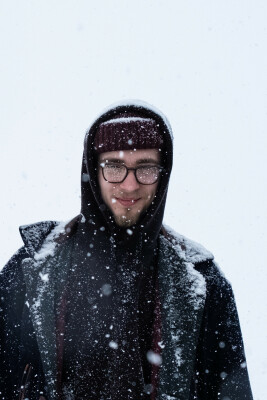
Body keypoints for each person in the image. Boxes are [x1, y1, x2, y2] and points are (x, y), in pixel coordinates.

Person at [0, 100, 253, 400]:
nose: (130, 185)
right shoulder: (29, 271)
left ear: (164, 172)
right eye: (114, 166)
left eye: (145, 168)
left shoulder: (203, 284)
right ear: (92, 170)